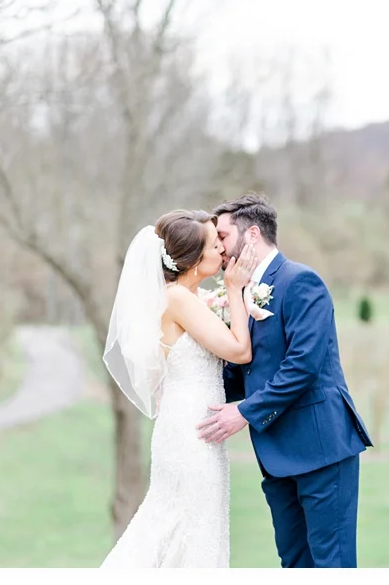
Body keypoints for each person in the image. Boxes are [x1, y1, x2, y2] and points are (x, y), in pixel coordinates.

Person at [196, 193, 373, 568]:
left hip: (321, 449)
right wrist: (190, 387)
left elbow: (303, 366)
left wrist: (244, 413)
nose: (219, 247)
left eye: (223, 236)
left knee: (332, 564)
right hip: (276, 457)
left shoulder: (301, 282)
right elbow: (245, 371)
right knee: (293, 563)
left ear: (253, 234)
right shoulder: (239, 294)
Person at [100, 209, 257, 568]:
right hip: (191, 435)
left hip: (190, 425)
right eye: (214, 245)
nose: (222, 250)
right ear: (193, 259)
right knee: (189, 526)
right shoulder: (178, 299)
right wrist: (235, 290)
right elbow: (239, 351)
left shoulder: (185, 298)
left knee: (188, 523)